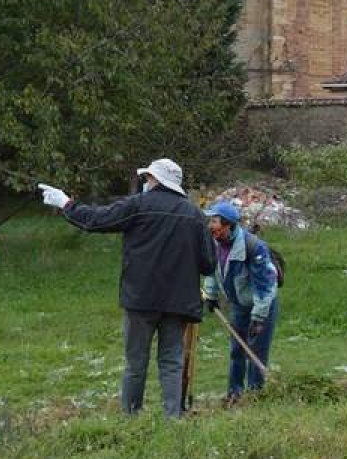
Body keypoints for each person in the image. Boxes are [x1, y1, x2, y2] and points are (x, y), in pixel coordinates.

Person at [37, 158, 214, 418]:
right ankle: (172, 419)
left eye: (147, 178)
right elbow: (209, 264)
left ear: (156, 181)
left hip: (141, 299)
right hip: (178, 302)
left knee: (136, 362)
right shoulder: (195, 216)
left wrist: (66, 203)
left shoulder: (139, 206)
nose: (145, 182)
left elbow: (96, 220)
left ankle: (131, 417)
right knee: (171, 363)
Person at [201, 200, 279, 404]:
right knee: (237, 349)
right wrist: (211, 296)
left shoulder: (253, 247)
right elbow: (212, 271)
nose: (210, 226)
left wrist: (259, 317)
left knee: (256, 350)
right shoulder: (215, 244)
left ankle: (255, 395)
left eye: (215, 221)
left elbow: (265, 285)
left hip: (262, 305)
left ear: (228, 225)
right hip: (239, 306)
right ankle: (234, 394)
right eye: (210, 221)